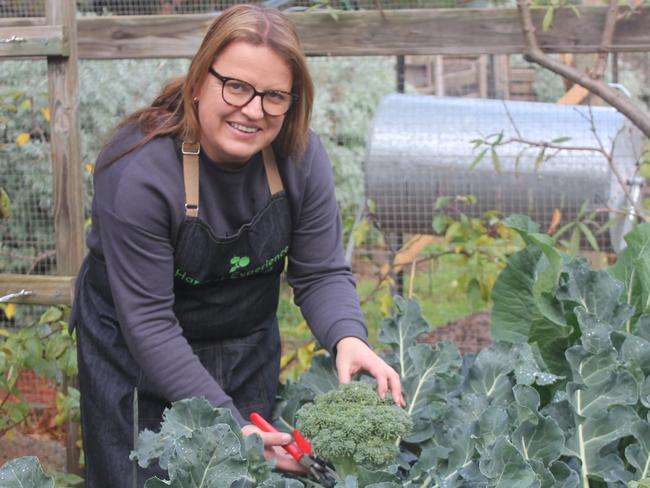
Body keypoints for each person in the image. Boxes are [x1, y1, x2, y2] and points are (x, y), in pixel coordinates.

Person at [70, 4, 404, 487]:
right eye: (237, 87)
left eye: (274, 96)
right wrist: (228, 423)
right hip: (137, 358)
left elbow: (320, 271)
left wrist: (348, 337)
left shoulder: (299, 157)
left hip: (245, 347)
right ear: (200, 79)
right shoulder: (137, 171)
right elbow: (149, 323)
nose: (253, 110)